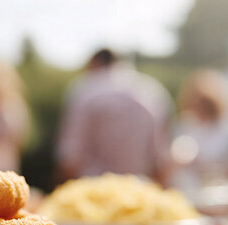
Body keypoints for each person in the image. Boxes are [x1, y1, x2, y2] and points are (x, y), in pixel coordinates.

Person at [56, 49, 173, 183]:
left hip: (92, 191)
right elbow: (161, 158)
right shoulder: (152, 91)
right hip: (138, 189)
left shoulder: (85, 89)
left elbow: (70, 156)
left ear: (95, 63)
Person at [169, 69, 228, 197]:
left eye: (203, 102)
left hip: (222, 192)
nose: (197, 106)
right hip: (189, 190)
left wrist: (206, 166)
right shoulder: (184, 124)